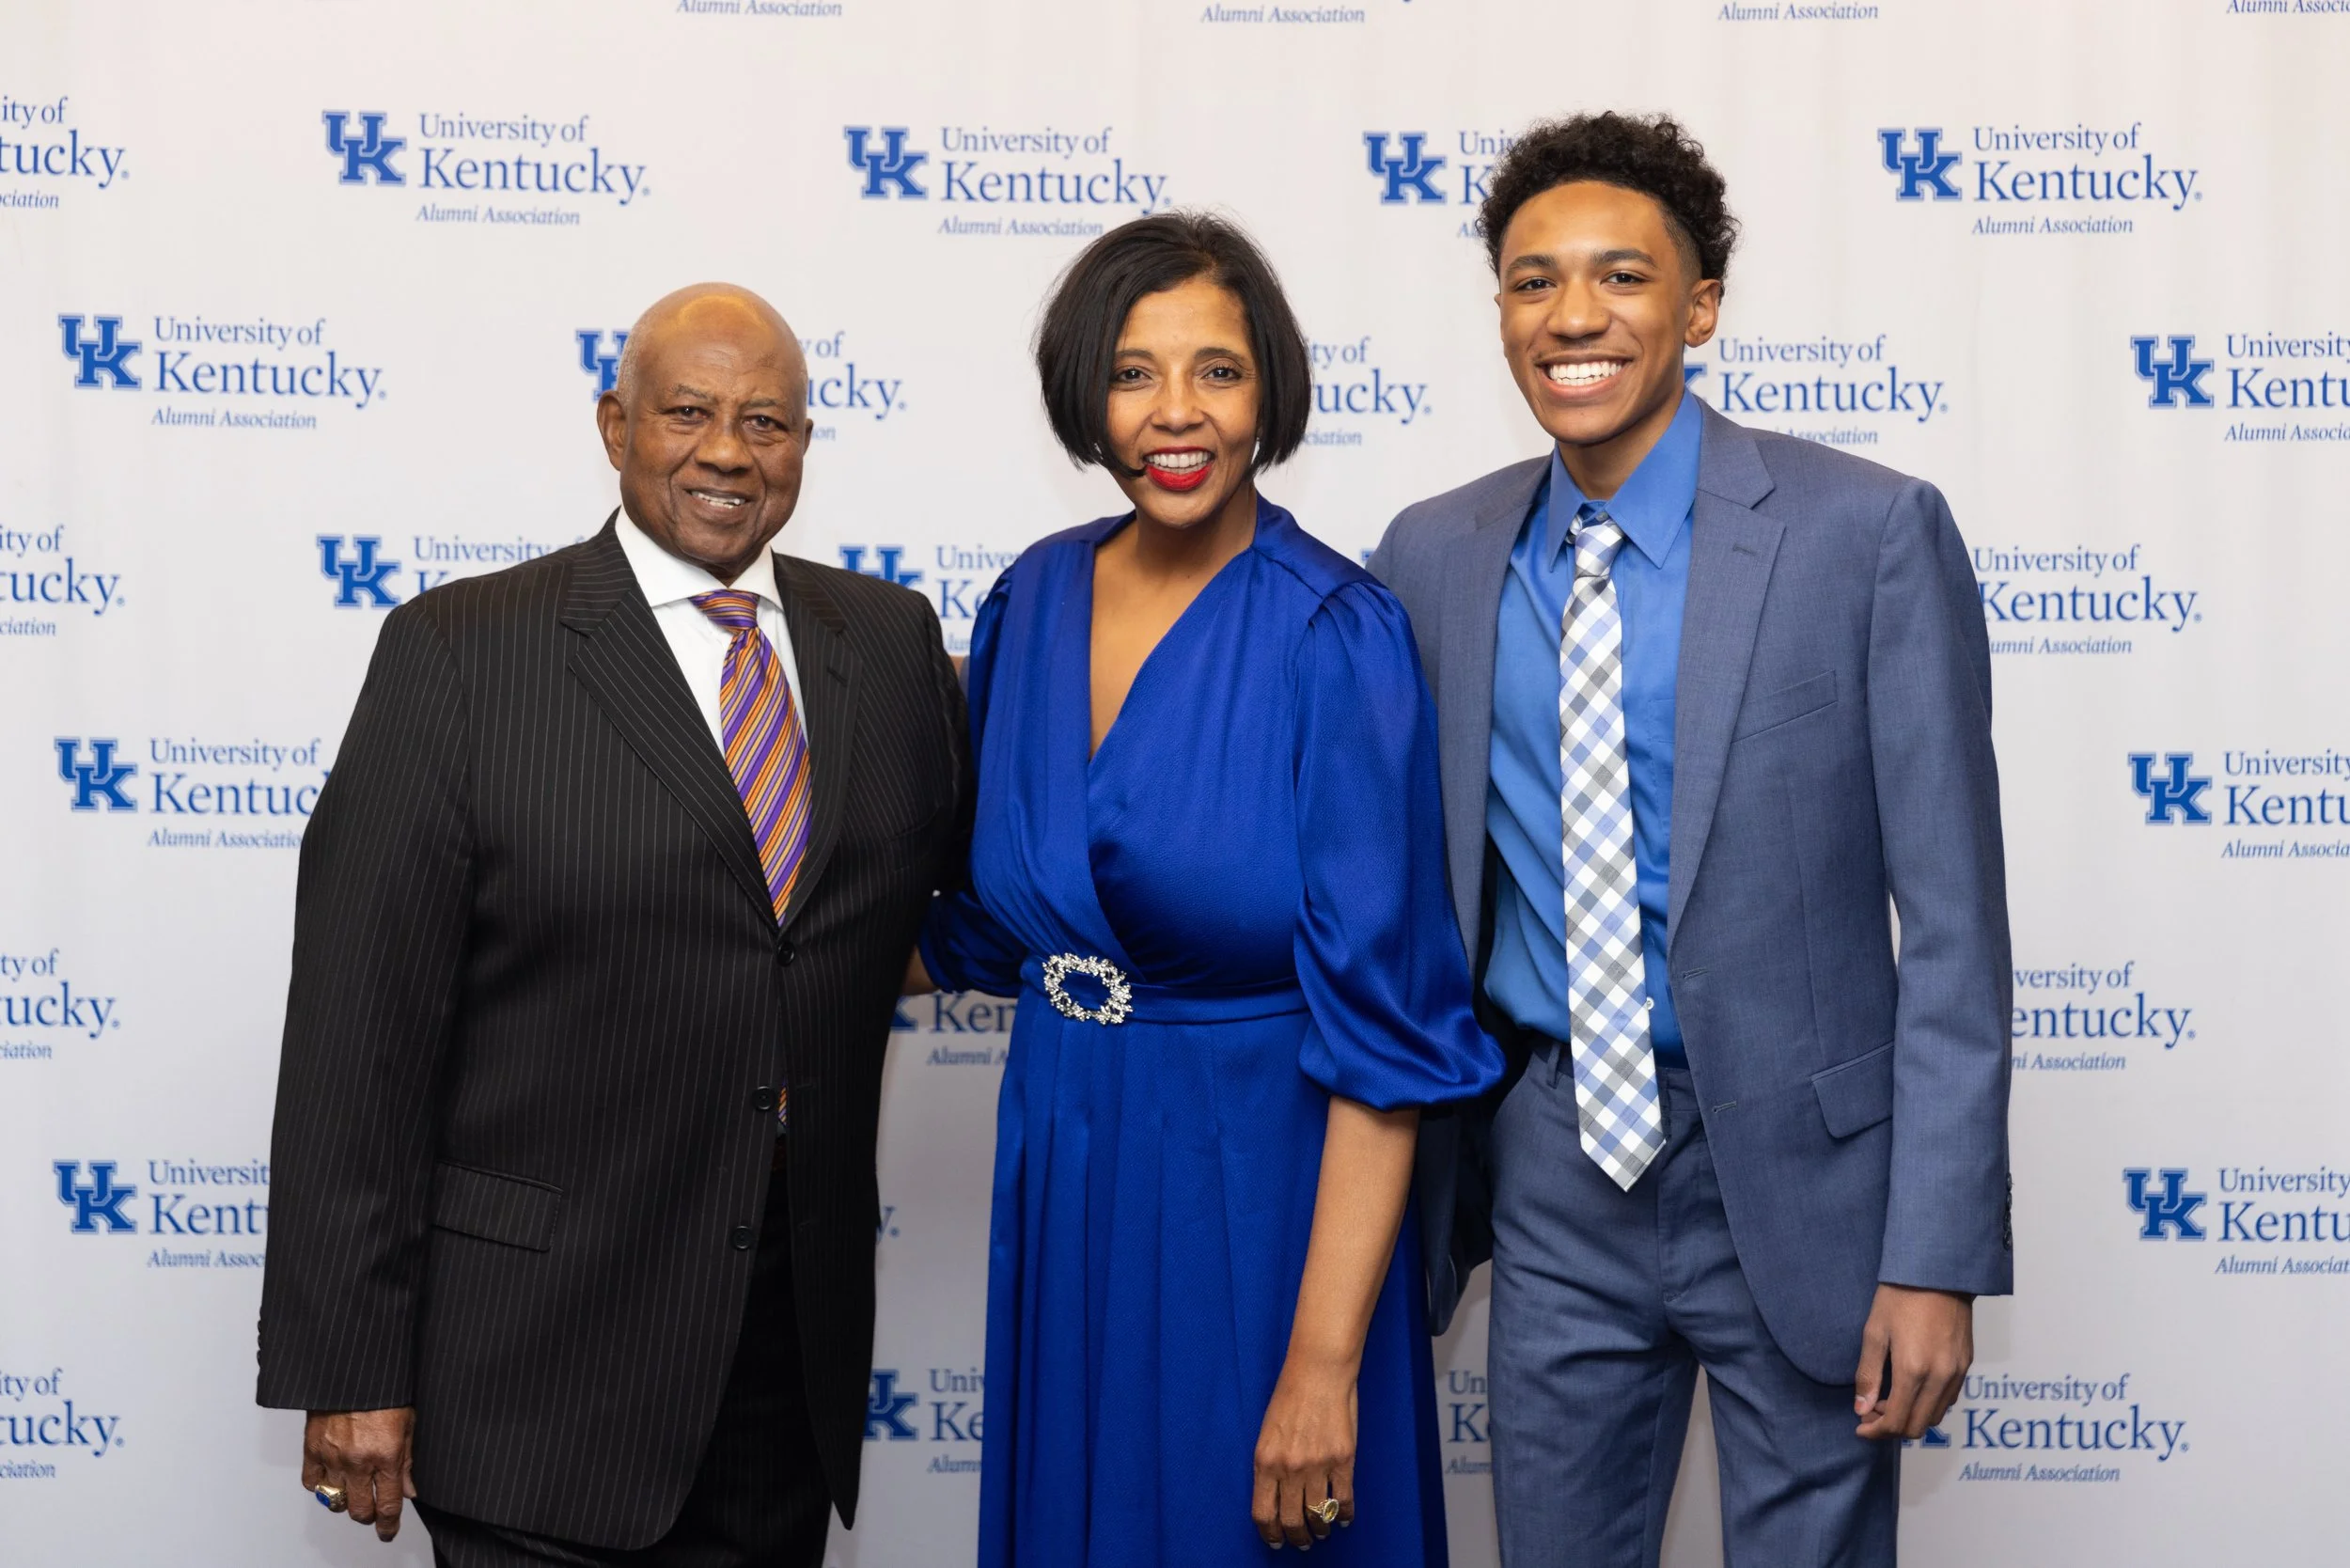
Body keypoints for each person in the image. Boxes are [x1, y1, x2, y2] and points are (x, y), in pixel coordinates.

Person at [1371, 114, 2012, 1567]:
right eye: (1533, 283)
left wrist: (1935, 1257)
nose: (1573, 317)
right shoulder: (1432, 556)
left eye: (1620, 277)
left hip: (1799, 1175)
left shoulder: (1866, 533)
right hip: (1548, 1167)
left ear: (1700, 306)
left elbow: (1960, 934)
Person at [257, 283, 968, 1568]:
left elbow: (965, 891)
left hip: (780, 1383)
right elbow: (356, 1041)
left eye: (768, 421)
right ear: (614, 425)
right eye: (687, 412)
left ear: (805, 444)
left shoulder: (892, 642)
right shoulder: (462, 654)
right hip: (538, 1374)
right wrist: (352, 1363)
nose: (728, 451)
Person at [905, 212, 1502, 1564]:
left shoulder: (1334, 634)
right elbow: (988, 928)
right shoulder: (1030, 602)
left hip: (1266, 1202)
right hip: (1067, 1168)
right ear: (1087, 397)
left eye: (1217, 371)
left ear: (1270, 390)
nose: (1176, 413)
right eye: (1133, 372)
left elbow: (1390, 1041)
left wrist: (1323, 1365)